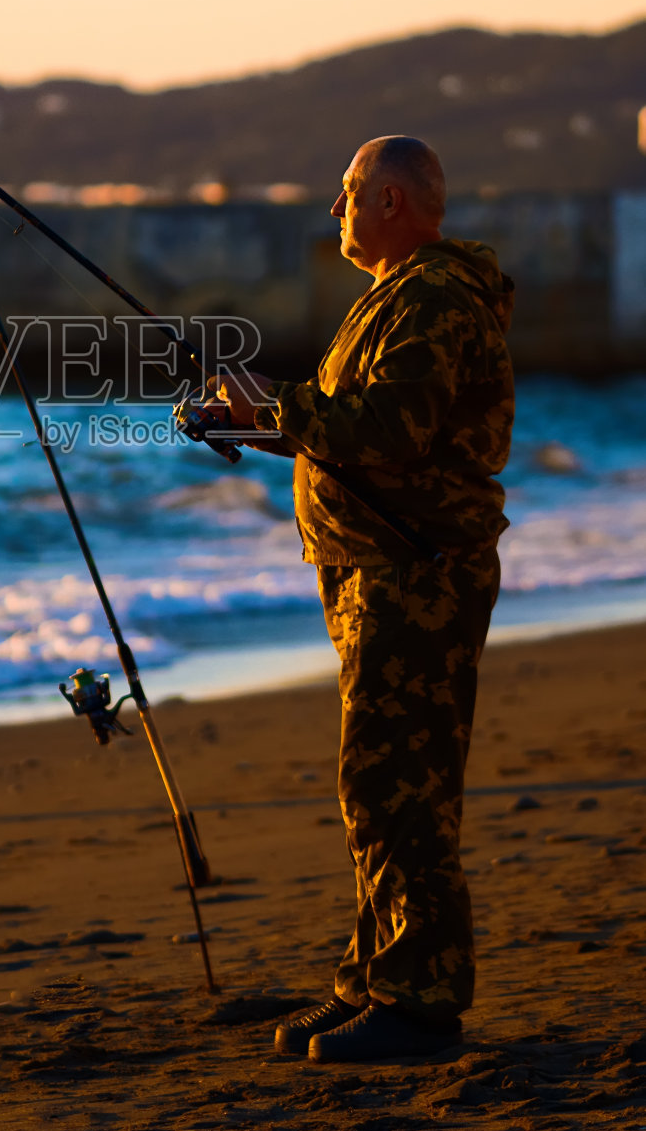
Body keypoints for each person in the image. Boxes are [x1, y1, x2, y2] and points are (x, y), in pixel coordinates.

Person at [215, 135, 515, 1064]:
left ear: (391, 201)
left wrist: (275, 404)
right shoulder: (395, 296)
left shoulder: (433, 300)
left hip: (417, 578)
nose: (335, 208)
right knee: (375, 784)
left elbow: (391, 432)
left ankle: (419, 1003)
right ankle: (374, 981)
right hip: (376, 572)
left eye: (348, 192)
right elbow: (347, 432)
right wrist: (253, 418)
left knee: (401, 789)